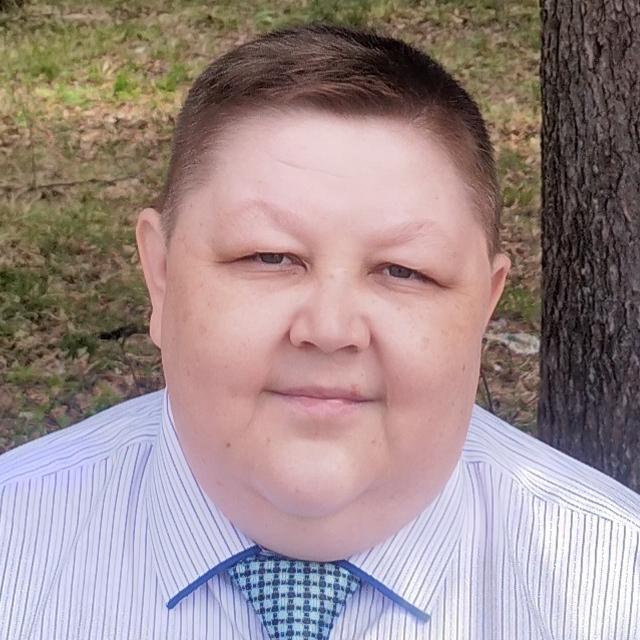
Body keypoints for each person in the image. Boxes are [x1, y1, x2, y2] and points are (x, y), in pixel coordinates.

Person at [0, 23, 638, 640]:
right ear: (162, 276)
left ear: (484, 307)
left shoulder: (616, 591)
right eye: (269, 257)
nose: (330, 330)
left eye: (403, 271)